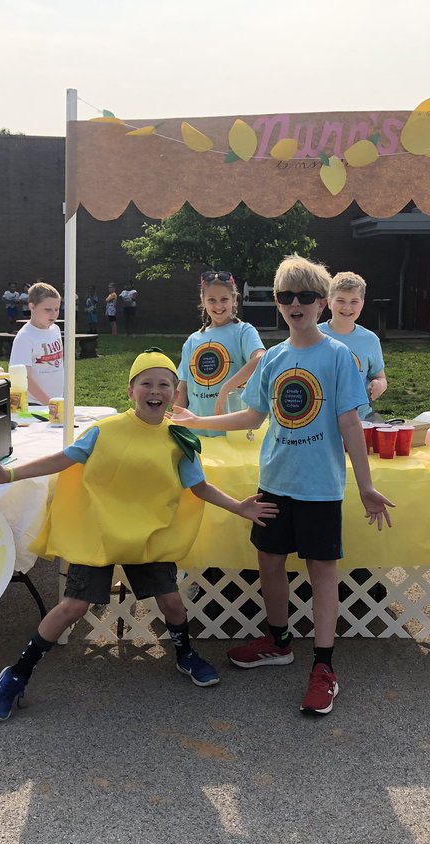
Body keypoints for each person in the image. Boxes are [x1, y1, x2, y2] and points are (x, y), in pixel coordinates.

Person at [0, 349, 279, 721]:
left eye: (164, 383)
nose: (155, 390)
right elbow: (64, 458)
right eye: (146, 383)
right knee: (73, 607)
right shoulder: (105, 430)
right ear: (131, 391)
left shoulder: (180, 438)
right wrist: (10, 474)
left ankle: (184, 655)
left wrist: (239, 507)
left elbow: (200, 488)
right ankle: (17, 673)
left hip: (149, 537)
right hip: (100, 532)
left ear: (175, 393)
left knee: (172, 603)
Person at [171, 255, 395, 715]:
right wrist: (199, 419)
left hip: (320, 488)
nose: (297, 305)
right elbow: (254, 414)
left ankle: (325, 665)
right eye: (287, 297)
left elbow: (350, 423)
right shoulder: (273, 358)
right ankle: (278, 640)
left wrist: (365, 486)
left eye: (307, 297)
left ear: (321, 303)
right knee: (269, 563)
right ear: (277, 303)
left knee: (322, 572)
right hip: (275, 482)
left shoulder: (337, 357)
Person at [176, 270, 265, 436]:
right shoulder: (192, 340)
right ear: (203, 301)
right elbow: (183, 385)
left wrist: (226, 387)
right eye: (211, 300)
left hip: (230, 433)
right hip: (194, 433)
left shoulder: (243, 331)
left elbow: (260, 359)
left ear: (234, 299)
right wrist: (177, 424)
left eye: (224, 299)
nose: (218, 306)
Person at [319, 271, 388, 422]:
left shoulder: (370, 340)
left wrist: (379, 385)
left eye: (354, 301)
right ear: (329, 302)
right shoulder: (312, 335)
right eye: (341, 300)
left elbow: (380, 376)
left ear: (362, 304)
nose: (347, 307)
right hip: (320, 420)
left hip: (360, 419)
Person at [9, 282, 64, 405]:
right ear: (32, 307)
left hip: (58, 401)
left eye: (56, 309)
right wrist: (48, 403)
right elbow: (23, 377)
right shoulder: (24, 337)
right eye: (48, 309)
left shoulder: (56, 330)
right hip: (35, 405)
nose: (54, 314)